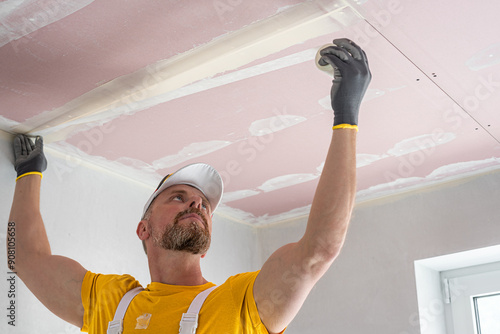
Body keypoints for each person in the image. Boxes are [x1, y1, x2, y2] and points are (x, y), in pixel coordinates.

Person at [7, 38, 371, 333]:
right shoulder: (113, 304)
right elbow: (22, 258)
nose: (197, 205)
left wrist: (347, 116)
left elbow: (318, 250)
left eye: (202, 205)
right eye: (179, 197)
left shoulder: (242, 304)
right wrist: (29, 174)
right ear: (143, 228)